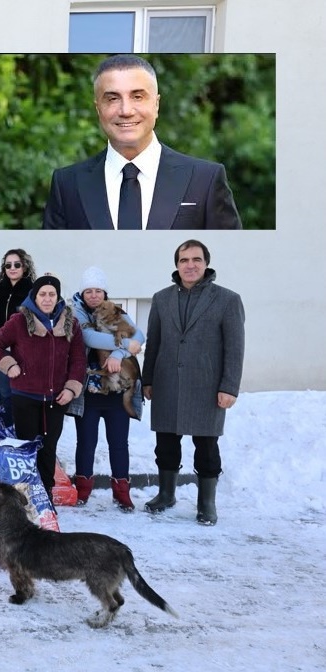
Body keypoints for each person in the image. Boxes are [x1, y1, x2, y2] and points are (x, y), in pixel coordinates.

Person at [42, 54, 242, 230]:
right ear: (98, 109)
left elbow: (231, 255)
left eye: (137, 97)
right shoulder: (67, 184)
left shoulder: (205, 180)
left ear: (156, 104)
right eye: (112, 99)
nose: (126, 110)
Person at [142, 240, 244, 525]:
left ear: (206, 263)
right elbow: (153, 343)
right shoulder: (161, 299)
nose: (190, 265)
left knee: (207, 448)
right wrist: (148, 379)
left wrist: (229, 387)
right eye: (184, 260)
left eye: (196, 259)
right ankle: (166, 494)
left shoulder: (227, 300)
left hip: (207, 387)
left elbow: (235, 348)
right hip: (167, 384)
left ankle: (206, 503)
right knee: (165, 445)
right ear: (177, 265)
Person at [0, 275, 86, 499]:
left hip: (56, 398)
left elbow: (78, 359)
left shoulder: (70, 323)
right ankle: (25, 495)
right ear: (34, 296)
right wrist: (9, 365)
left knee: (49, 448)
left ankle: (45, 495)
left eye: (52, 294)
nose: (47, 299)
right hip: (25, 397)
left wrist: (71, 388)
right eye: (43, 294)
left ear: (58, 297)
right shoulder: (19, 321)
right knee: (26, 447)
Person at [67, 266, 145, 512]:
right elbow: (89, 338)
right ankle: (82, 490)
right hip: (89, 392)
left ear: (105, 293)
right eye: (88, 291)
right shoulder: (76, 314)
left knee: (119, 443)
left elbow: (140, 336)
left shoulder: (117, 311)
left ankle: (122, 493)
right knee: (86, 442)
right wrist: (126, 345)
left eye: (98, 291)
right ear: (83, 293)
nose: (93, 295)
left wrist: (119, 354)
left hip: (117, 391)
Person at [0, 249, 37, 426]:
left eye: (17, 264)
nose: (12, 268)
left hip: (24, 352)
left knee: (23, 394)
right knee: (5, 394)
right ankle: (5, 431)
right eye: (8, 265)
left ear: (24, 267)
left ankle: (24, 432)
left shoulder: (32, 292)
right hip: (2, 352)